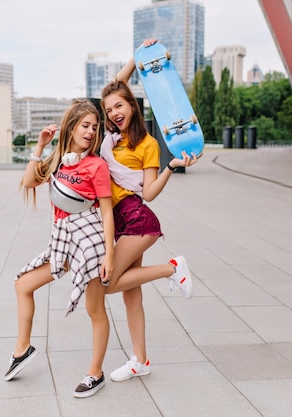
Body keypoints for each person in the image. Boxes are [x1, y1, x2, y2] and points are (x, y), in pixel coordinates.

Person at [99, 39, 200, 382]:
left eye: (120, 106)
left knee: (108, 283)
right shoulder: (111, 140)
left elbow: (150, 193)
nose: (114, 112)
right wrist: (139, 58)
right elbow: (116, 82)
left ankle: (173, 268)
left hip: (137, 220)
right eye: (109, 108)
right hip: (118, 221)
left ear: (133, 104)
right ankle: (140, 360)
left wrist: (172, 166)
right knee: (130, 295)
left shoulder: (148, 144)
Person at [4, 99, 115, 399]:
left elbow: (106, 212)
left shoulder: (97, 166)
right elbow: (28, 181)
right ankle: (23, 349)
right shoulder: (58, 161)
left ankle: (96, 374)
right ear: (71, 126)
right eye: (85, 125)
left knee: (95, 310)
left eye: (95, 127)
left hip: (89, 243)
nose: (91, 131)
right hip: (63, 243)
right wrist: (40, 146)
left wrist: (110, 255)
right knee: (22, 285)